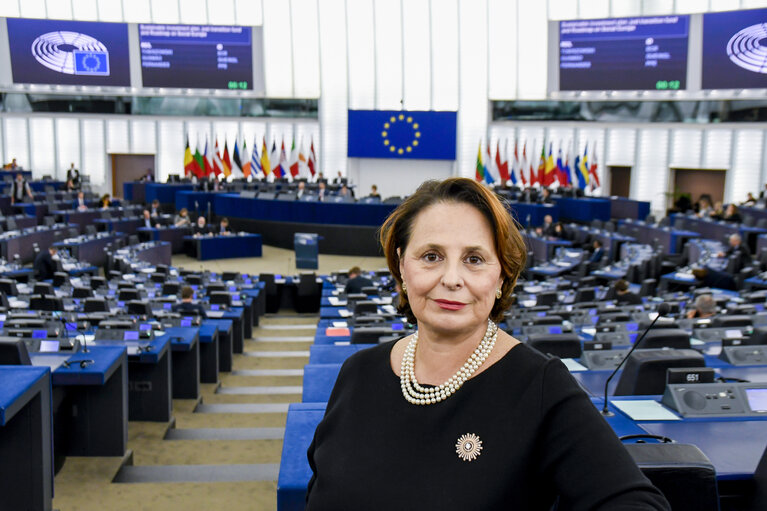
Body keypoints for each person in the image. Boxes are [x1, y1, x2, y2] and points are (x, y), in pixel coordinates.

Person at [306, 177, 669, 510]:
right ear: (402, 265)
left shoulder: (540, 386)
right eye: (431, 256)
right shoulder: (358, 371)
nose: (451, 279)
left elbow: (635, 503)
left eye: (474, 259)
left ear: (501, 277)